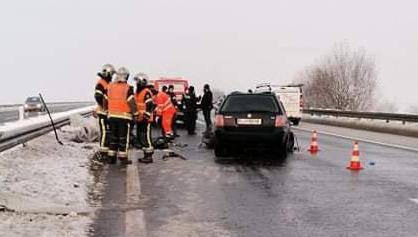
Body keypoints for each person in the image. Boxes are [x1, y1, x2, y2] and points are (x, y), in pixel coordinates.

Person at [105, 67, 138, 165]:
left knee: (113, 137)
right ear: (126, 76)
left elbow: (105, 100)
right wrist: (135, 114)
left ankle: (111, 157)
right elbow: (131, 102)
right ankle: (123, 158)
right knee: (123, 138)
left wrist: (106, 110)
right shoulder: (128, 88)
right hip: (124, 117)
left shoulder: (110, 86)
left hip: (111, 117)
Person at [94, 64, 115, 156]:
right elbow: (98, 96)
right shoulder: (101, 83)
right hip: (103, 113)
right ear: (108, 73)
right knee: (104, 132)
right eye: (111, 74)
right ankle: (103, 153)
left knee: (108, 132)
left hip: (108, 112)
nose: (112, 77)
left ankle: (107, 150)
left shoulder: (107, 83)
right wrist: (105, 108)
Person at [134, 73, 155, 163]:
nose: (136, 84)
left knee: (146, 137)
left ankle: (149, 156)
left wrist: (146, 115)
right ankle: (145, 155)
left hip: (145, 119)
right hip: (140, 118)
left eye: (138, 82)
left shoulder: (146, 92)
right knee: (141, 137)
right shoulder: (138, 92)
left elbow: (150, 105)